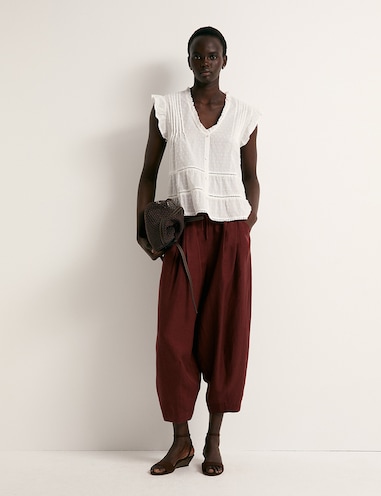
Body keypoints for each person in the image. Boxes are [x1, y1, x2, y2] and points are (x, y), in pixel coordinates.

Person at [137, 26, 261, 476]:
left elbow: (251, 177)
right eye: (197, 55)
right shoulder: (167, 109)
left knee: (225, 337)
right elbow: (148, 172)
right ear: (188, 60)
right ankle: (180, 441)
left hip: (230, 236)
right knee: (174, 339)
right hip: (183, 235)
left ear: (224, 60)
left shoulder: (244, 114)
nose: (204, 62)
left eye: (212, 55)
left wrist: (247, 224)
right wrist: (142, 227)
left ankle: (213, 441)